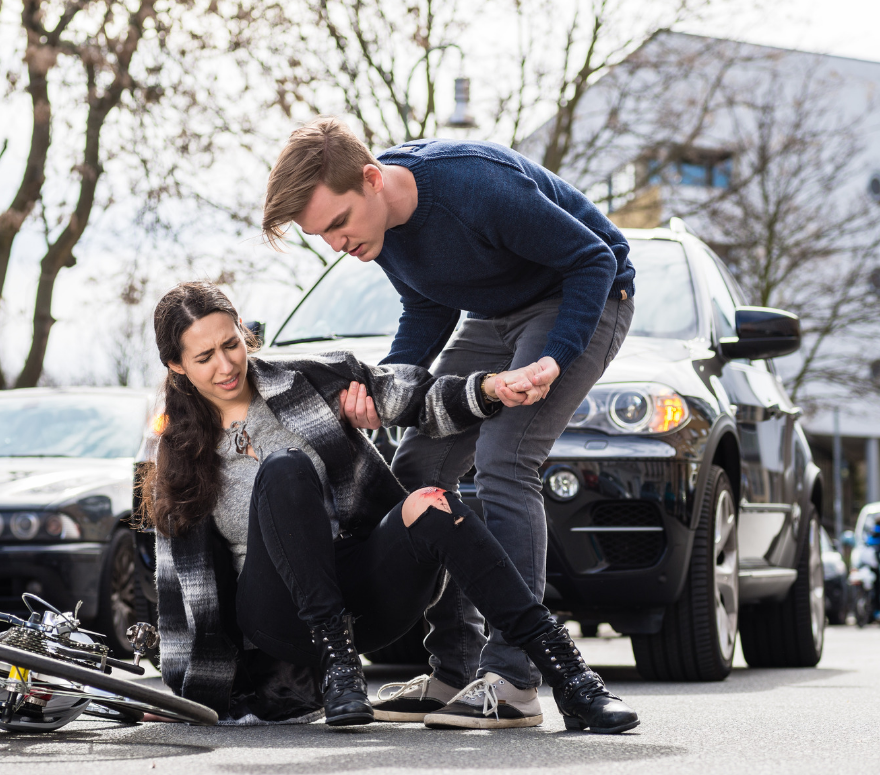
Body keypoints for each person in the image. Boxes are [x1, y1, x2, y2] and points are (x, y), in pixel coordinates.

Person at [261, 117, 635, 727]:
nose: (335, 244)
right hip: (493, 317)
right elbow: (426, 304)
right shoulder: (379, 228)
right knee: (417, 468)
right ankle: (456, 670)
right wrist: (385, 386)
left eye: (338, 223)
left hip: (581, 298)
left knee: (505, 458)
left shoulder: (473, 186)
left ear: (372, 179)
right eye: (320, 233)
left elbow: (592, 259)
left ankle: (513, 678)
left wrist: (554, 357)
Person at [147, 281, 637, 733]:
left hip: (365, 595)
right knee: (285, 469)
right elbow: (181, 587)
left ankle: (570, 675)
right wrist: (188, 694)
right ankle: (339, 668)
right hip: (278, 620)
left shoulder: (309, 380)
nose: (226, 366)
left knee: (431, 501)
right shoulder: (178, 450)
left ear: (244, 332)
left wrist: (490, 388)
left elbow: (414, 397)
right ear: (177, 366)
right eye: (205, 357)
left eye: (231, 344)